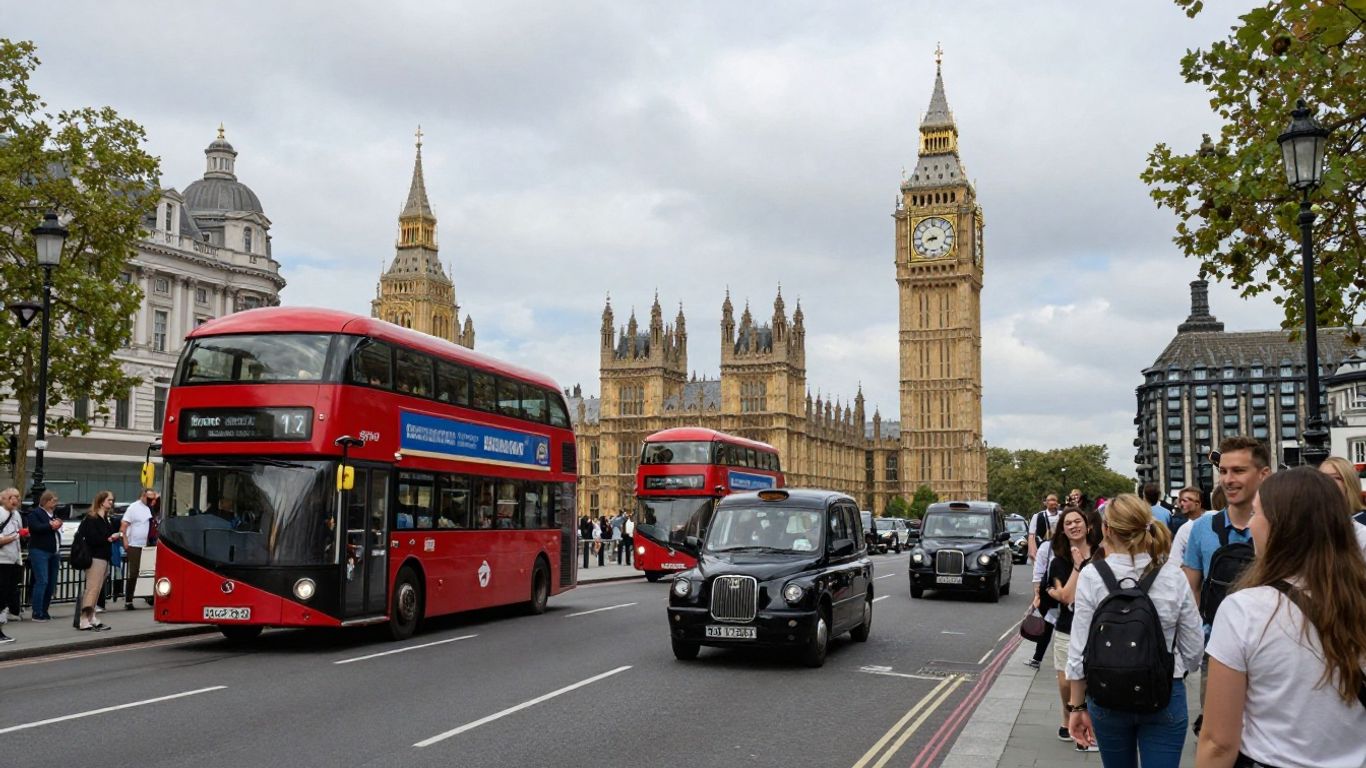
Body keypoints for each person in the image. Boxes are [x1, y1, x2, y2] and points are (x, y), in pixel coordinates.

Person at [1196, 467, 1366, 768]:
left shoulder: (1244, 610)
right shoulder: (1357, 598)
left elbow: (1219, 743)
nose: (1250, 524)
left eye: (1256, 514)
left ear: (1280, 527)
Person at [1066, 494, 1203, 766]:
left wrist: (1077, 706)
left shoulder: (1092, 575)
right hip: (1164, 693)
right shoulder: (1173, 575)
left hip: (1107, 694)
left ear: (1106, 529)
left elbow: (1079, 649)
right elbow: (1194, 651)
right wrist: (1178, 666)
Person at [1042, 505, 1102, 748]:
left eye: (1078, 521)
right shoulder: (1059, 562)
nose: (1074, 526)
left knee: (1093, 682)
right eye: (1068, 523)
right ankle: (1068, 716)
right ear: (1063, 531)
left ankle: (1088, 726)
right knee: (1067, 682)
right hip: (1068, 628)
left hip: (1098, 628)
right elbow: (1066, 597)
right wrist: (1078, 567)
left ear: (1088, 526)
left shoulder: (1102, 554)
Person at [74, 491, 120, 631]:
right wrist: (109, 538)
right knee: (92, 589)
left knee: (97, 589)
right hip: (95, 557)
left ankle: (91, 616)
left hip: (104, 556)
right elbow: (92, 539)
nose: (111, 503)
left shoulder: (105, 518)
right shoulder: (92, 518)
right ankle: (84, 619)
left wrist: (111, 537)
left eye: (112, 500)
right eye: (109, 500)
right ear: (101, 501)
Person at [24, 490, 62, 622]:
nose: (55, 503)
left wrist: (57, 524)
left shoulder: (53, 515)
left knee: (51, 583)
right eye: (53, 501)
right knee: (42, 581)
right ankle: (37, 612)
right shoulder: (35, 514)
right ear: (45, 501)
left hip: (54, 551)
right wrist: (51, 525)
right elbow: (35, 528)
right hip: (40, 551)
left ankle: (45, 611)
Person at [120, 488, 156, 610]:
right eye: (149, 498)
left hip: (148, 543)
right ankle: (129, 599)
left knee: (149, 571)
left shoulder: (151, 508)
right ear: (143, 496)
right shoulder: (133, 508)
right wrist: (125, 540)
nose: (151, 501)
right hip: (135, 544)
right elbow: (124, 525)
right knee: (134, 572)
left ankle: (149, 596)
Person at [1026, 534, 1055, 670]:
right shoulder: (1047, 547)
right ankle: (1037, 658)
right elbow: (1038, 573)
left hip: (1068, 596)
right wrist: (1037, 596)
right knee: (1046, 627)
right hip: (1048, 594)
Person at [0, 487, 24, 626]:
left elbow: (19, 532)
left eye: (17, 497)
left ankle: (9, 610)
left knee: (11, 587)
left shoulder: (16, 515)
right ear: (3, 499)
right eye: (11, 497)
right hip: (2, 558)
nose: (15, 500)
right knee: (2, 587)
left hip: (14, 558)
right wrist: (15, 536)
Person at [1320, 456, 1365, 524]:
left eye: (1336, 477)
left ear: (1350, 483)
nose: (1327, 481)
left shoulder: (1362, 522)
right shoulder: (1312, 520)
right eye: (1322, 477)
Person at [1168, 486, 1205, 565]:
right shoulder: (1182, 528)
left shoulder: (1209, 522)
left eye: (1185, 501)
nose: (1181, 503)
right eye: (1180, 500)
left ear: (1197, 504)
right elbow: (1174, 559)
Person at [1028, 493, 1061, 563]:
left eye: (1055, 500)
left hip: (1060, 549)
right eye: (1050, 500)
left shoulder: (1063, 515)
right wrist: (1032, 550)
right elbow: (1031, 535)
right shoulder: (1037, 516)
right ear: (1045, 503)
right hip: (1043, 549)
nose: (1053, 503)